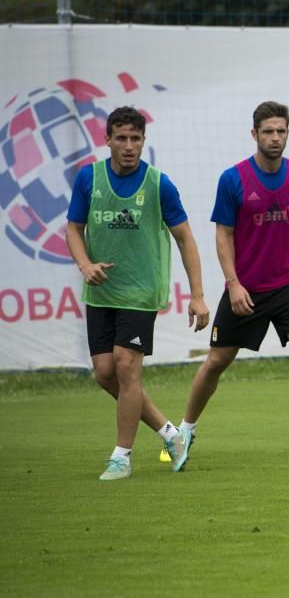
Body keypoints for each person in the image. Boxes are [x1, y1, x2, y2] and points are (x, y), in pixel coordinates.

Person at [177, 101, 289, 463]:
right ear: (254, 134)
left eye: (281, 131)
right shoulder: (233, 179)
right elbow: (223, 236)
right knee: (217, 361)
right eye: (268, 131)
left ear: (288, 133)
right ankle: (184, 432)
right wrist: (233, 283)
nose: (275, 137)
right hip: (246, 287)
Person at [66, 106, 210, 481]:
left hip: (140, 291)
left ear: (144, 141)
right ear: (108, 140)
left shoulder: (159, 184)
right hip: (100, 293)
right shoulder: (88, 179)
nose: (129, 146)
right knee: (105, 374)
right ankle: (171, 434)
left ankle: (121, 457)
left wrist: (197, 295)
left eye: (136, 139)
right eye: (122, 138)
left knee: (127, 366)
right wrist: (85, 264)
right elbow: (73, 228)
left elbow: (185, 239)